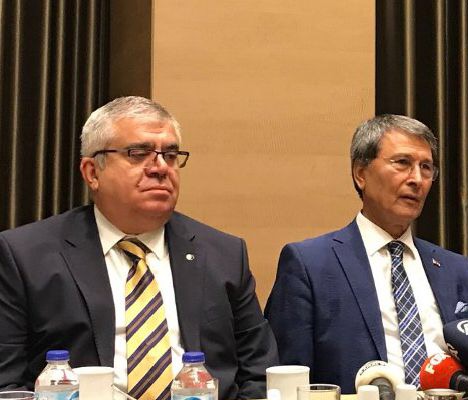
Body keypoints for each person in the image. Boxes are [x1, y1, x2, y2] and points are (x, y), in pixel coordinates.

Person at [0, 96, 278, 399]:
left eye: (170, 155)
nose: (160, 168)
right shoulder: (25, 256)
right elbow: (6, 385)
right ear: (92, 172)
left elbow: (260, 376)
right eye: (138, 154)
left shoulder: (223, 254)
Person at [265, 114, 468, 393]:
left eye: (426, 167)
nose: (417, 179)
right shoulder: (310, 264)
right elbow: (289, 380)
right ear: (361, 174)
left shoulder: (457, 269)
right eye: (402, 163)